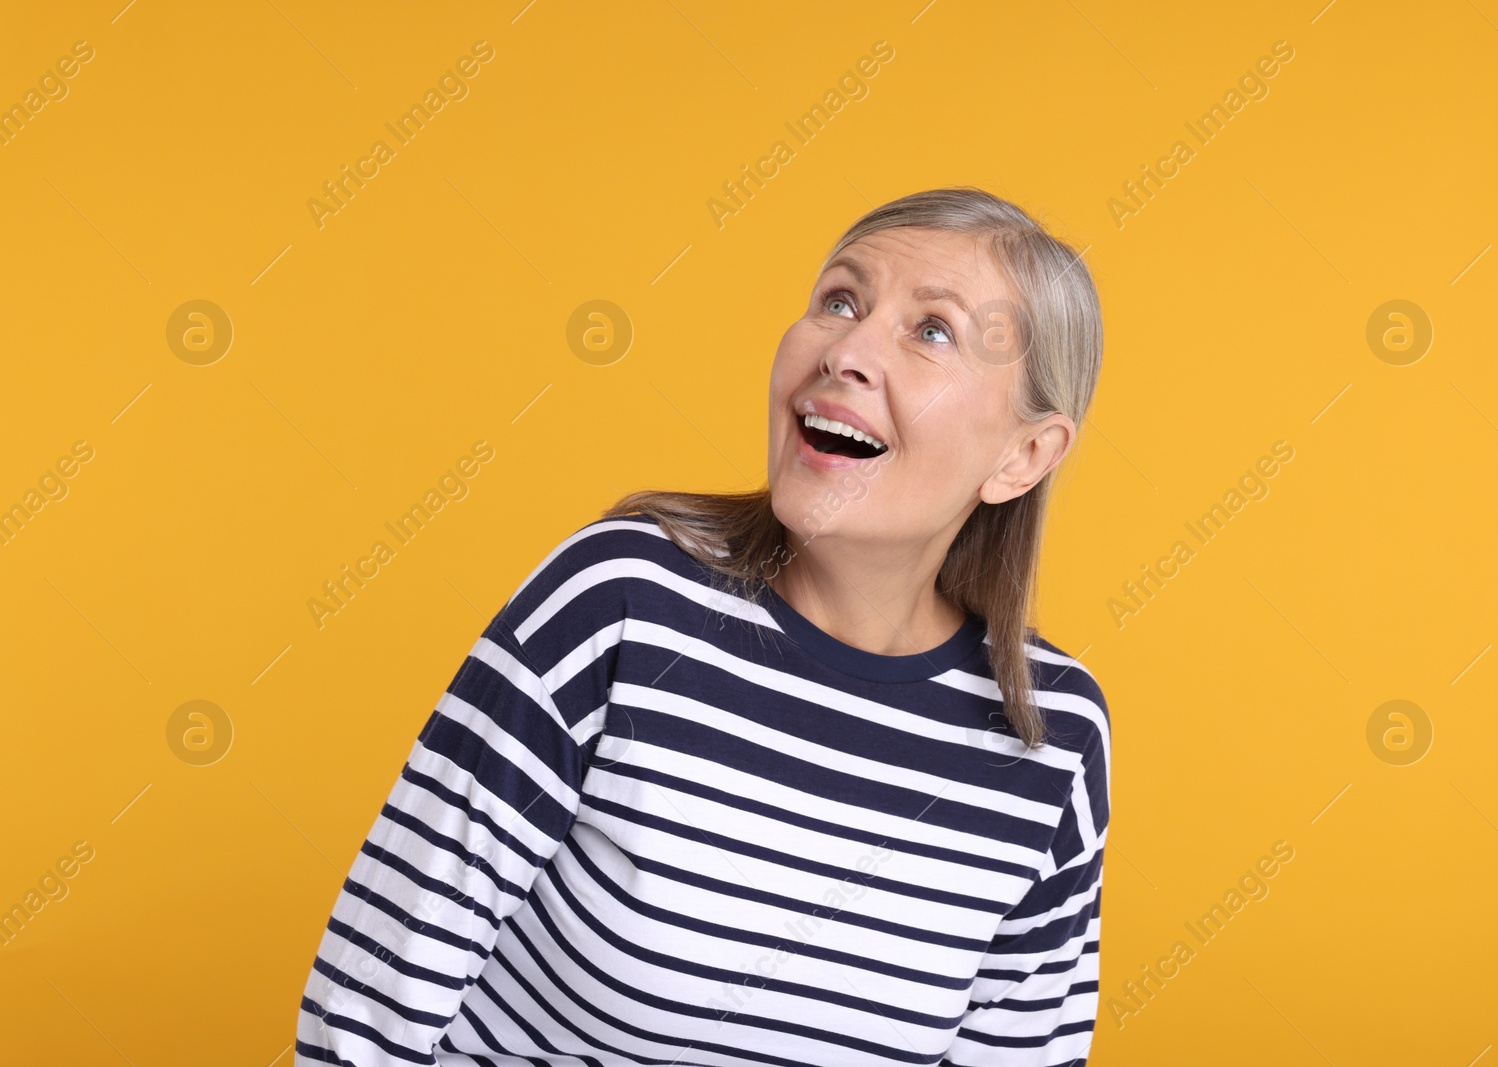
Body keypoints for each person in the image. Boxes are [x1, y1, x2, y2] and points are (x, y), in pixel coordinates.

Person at [293, 185, 1110, 1066]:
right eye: (841, 300)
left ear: (1023, 455)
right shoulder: (620, 602)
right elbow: (365, 1012)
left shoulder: (1052, 739)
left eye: (932, 330)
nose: (847, 349)